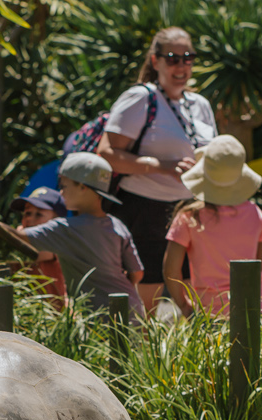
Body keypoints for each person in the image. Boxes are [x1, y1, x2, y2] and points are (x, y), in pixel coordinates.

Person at [97, 26, 217, 315]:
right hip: (144, 209)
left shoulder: (200, 104)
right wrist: (161, 167)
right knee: (145, 296)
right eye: (172, 58)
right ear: (155, 61)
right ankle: (139, 357)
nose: (181, 65)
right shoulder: (141, 98)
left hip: (190, 209)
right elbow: (106, 154)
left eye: (188, 57)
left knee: (193, 291)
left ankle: (190, 357)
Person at [15, 153, 145, 319]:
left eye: (64, 186)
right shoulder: (116, 224)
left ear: (83, 187)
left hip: (97, 317)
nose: (61, 192)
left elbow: (18, 237)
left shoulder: (66, 228)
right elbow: (137, 273)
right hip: (130, 309)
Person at [163, 135, 262, 317]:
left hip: (210, 310)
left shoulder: (189, 217)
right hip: (253, 307)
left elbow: (170, 270)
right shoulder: (255, 213)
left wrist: (184, 305)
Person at [10, 186, 69, 300]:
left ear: (56, 223)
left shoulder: (55, 239)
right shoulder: (20, 233)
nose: (30, 219)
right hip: (22, 307)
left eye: (39, 215)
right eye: (27, 213)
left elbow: (27, 252)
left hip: (51, 311)